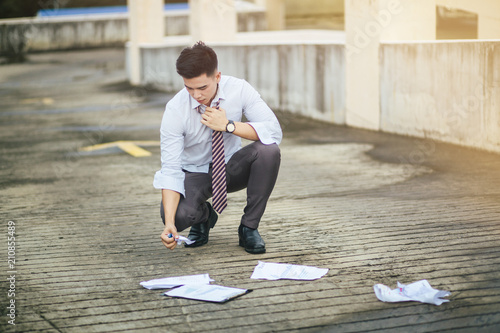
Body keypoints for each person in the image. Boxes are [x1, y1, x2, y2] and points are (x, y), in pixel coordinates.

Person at [153, 42, 282, 254]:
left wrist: (229, 126)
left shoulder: (239, 89)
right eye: (189, 87)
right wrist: (169, 224)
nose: (196, 95)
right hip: (195, 172)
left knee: (269, 151)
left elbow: (274, 131)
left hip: (232, 168)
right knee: (178, 216)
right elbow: (170, 170)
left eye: (202, 87)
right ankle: (204, 216)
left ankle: (249, 228)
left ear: (217, 77)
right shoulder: (176, 109)